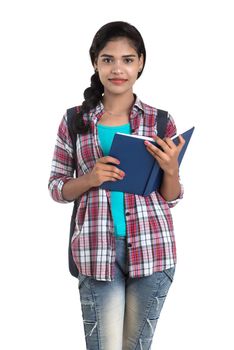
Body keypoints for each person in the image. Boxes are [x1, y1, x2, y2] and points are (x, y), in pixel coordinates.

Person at [48, 21, 185, 350]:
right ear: (95, 62)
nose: (117, 69)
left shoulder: (159, 121)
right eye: (108, 59)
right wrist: (90, 179)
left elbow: (171, 196)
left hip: (153, 250)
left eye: (127, 59)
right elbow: (56, 187)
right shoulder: (74, 121)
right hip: (96, 253)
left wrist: (170, 170)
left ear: (140, 62)